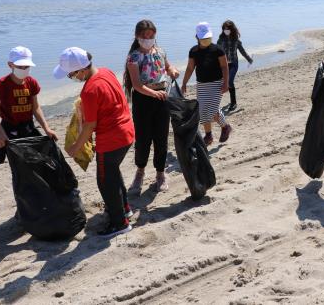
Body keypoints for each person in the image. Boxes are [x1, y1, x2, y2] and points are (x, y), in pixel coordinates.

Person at [56, 47, 135, 238]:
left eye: (71, 75)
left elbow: (90, 125)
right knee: (112, 173)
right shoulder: (106, 72)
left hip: (111, 139)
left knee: (104, 181)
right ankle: (124, 209)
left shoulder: (90, 90)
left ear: (81, 70)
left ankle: (120, 223)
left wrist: (75, 147)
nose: (72, 78)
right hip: (127, 132)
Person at [123, 20, 179, 195]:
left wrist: (173, 71)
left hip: (162, 99)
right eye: (144, 36)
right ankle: (139, 172)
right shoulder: (134, 56)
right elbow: (137, 85)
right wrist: (153, 94)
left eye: (151, 35)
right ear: (137, 36)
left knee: (161, 138)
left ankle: (160, 174)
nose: (148, 38)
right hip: (143, 101)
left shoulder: (160, 51)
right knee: (143, 140)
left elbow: (168, 67)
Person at [0, 46, 57, 170]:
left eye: (27, 67)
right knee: (19, 166)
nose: (24, 69)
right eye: (20, 67)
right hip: (9, 129)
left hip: (28, 127)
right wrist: (0, 133)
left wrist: (47, 128)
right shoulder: (2, 84)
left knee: (39, 162)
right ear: (10, 65)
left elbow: (36, 108)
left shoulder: (32, 82)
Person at [181, 22, 232, 146]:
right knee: (203, 111)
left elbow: (224, 67)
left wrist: (226, 83)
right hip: (202, 85)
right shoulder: (193, 51)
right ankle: (209, 135)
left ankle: (225, 127)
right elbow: (190, 68)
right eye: (203, 38)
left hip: (216, 84)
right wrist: (184, 83)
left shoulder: (217, 50)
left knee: (213, 110)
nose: (205, 40)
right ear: (197, 37)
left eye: (207, 37)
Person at [217, 19, 253, 111]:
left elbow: (242, 50)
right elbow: (215, 51)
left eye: (227, 29)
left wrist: (249, 59)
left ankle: (233, 103)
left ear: (232, 29)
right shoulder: (221, 39)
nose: (226, 30)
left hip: (233, 64)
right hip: (223, 65)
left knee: (229, 81)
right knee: (222, 83)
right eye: (224, 29)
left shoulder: (236, 39)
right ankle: (217, 104)